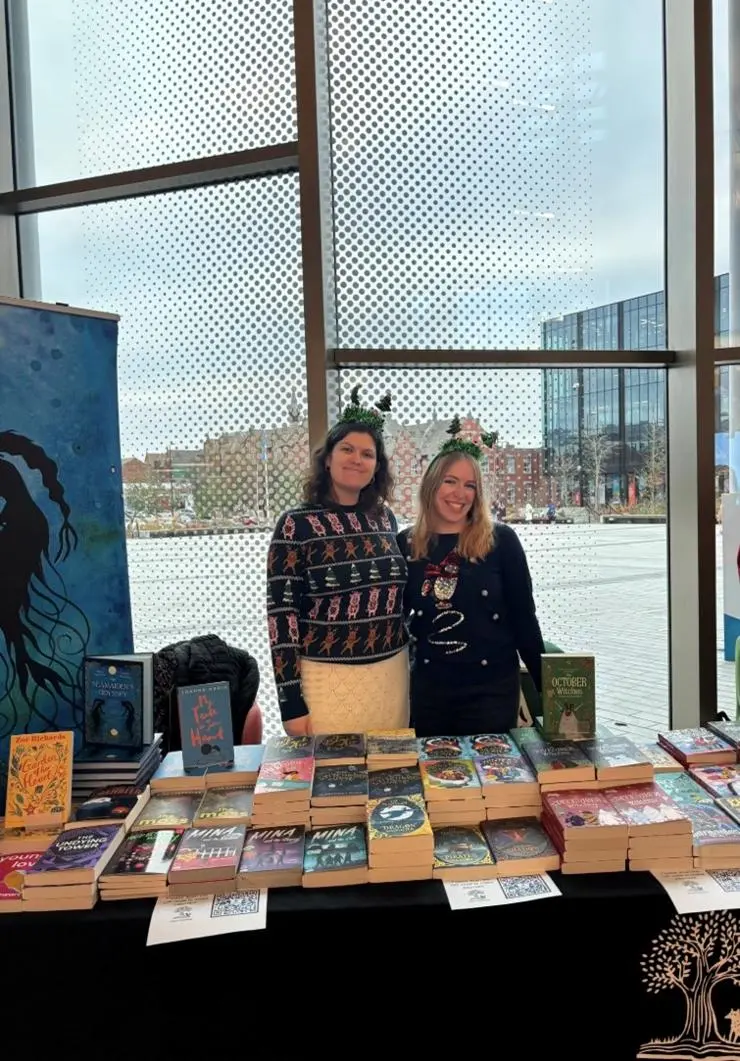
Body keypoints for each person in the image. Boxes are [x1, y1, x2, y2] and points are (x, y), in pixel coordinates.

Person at [266, 387, 409, 736]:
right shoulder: (294, 525)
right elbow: (282, 619)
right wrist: (291, 703)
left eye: (367, 454)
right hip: (327, 683)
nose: (356, 459)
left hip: (391, 677)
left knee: (391, 782)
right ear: (327, 459)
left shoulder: (385, 520)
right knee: (334, 784)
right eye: (346, 449)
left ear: (377, 467)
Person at [398, 418, 545, 737]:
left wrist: (552, 690)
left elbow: (525, 622)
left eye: (470, 485)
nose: (459, 493)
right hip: (429, 695)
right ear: (432, 485)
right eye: (450, 481)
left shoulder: (501, 541)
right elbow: (393, 623)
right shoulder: (406, 543)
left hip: (491, 693)